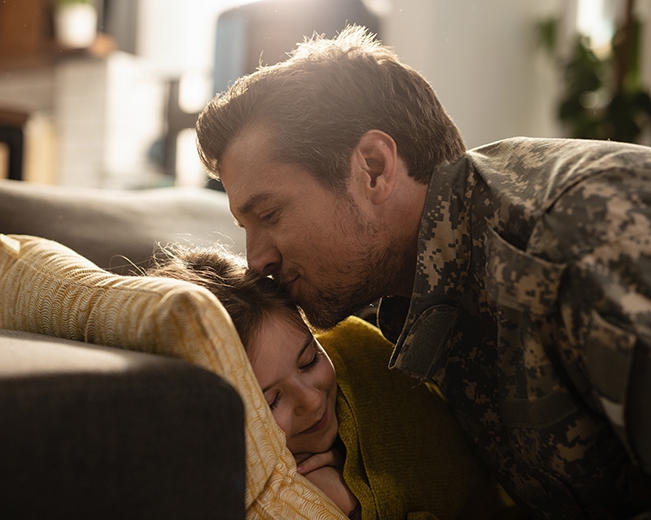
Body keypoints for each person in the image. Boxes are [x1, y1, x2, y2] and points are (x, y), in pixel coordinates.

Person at [194, 25, 651, 519]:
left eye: (270, 215)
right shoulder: (394, 291)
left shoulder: (577, 240)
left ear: (372, 167)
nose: (256, 258)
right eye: (244, 226)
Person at [146, 244, 515, 519]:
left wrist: (358, 491)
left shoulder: (361, 350)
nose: (309, 400)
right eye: (272, 400)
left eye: (309, 360)